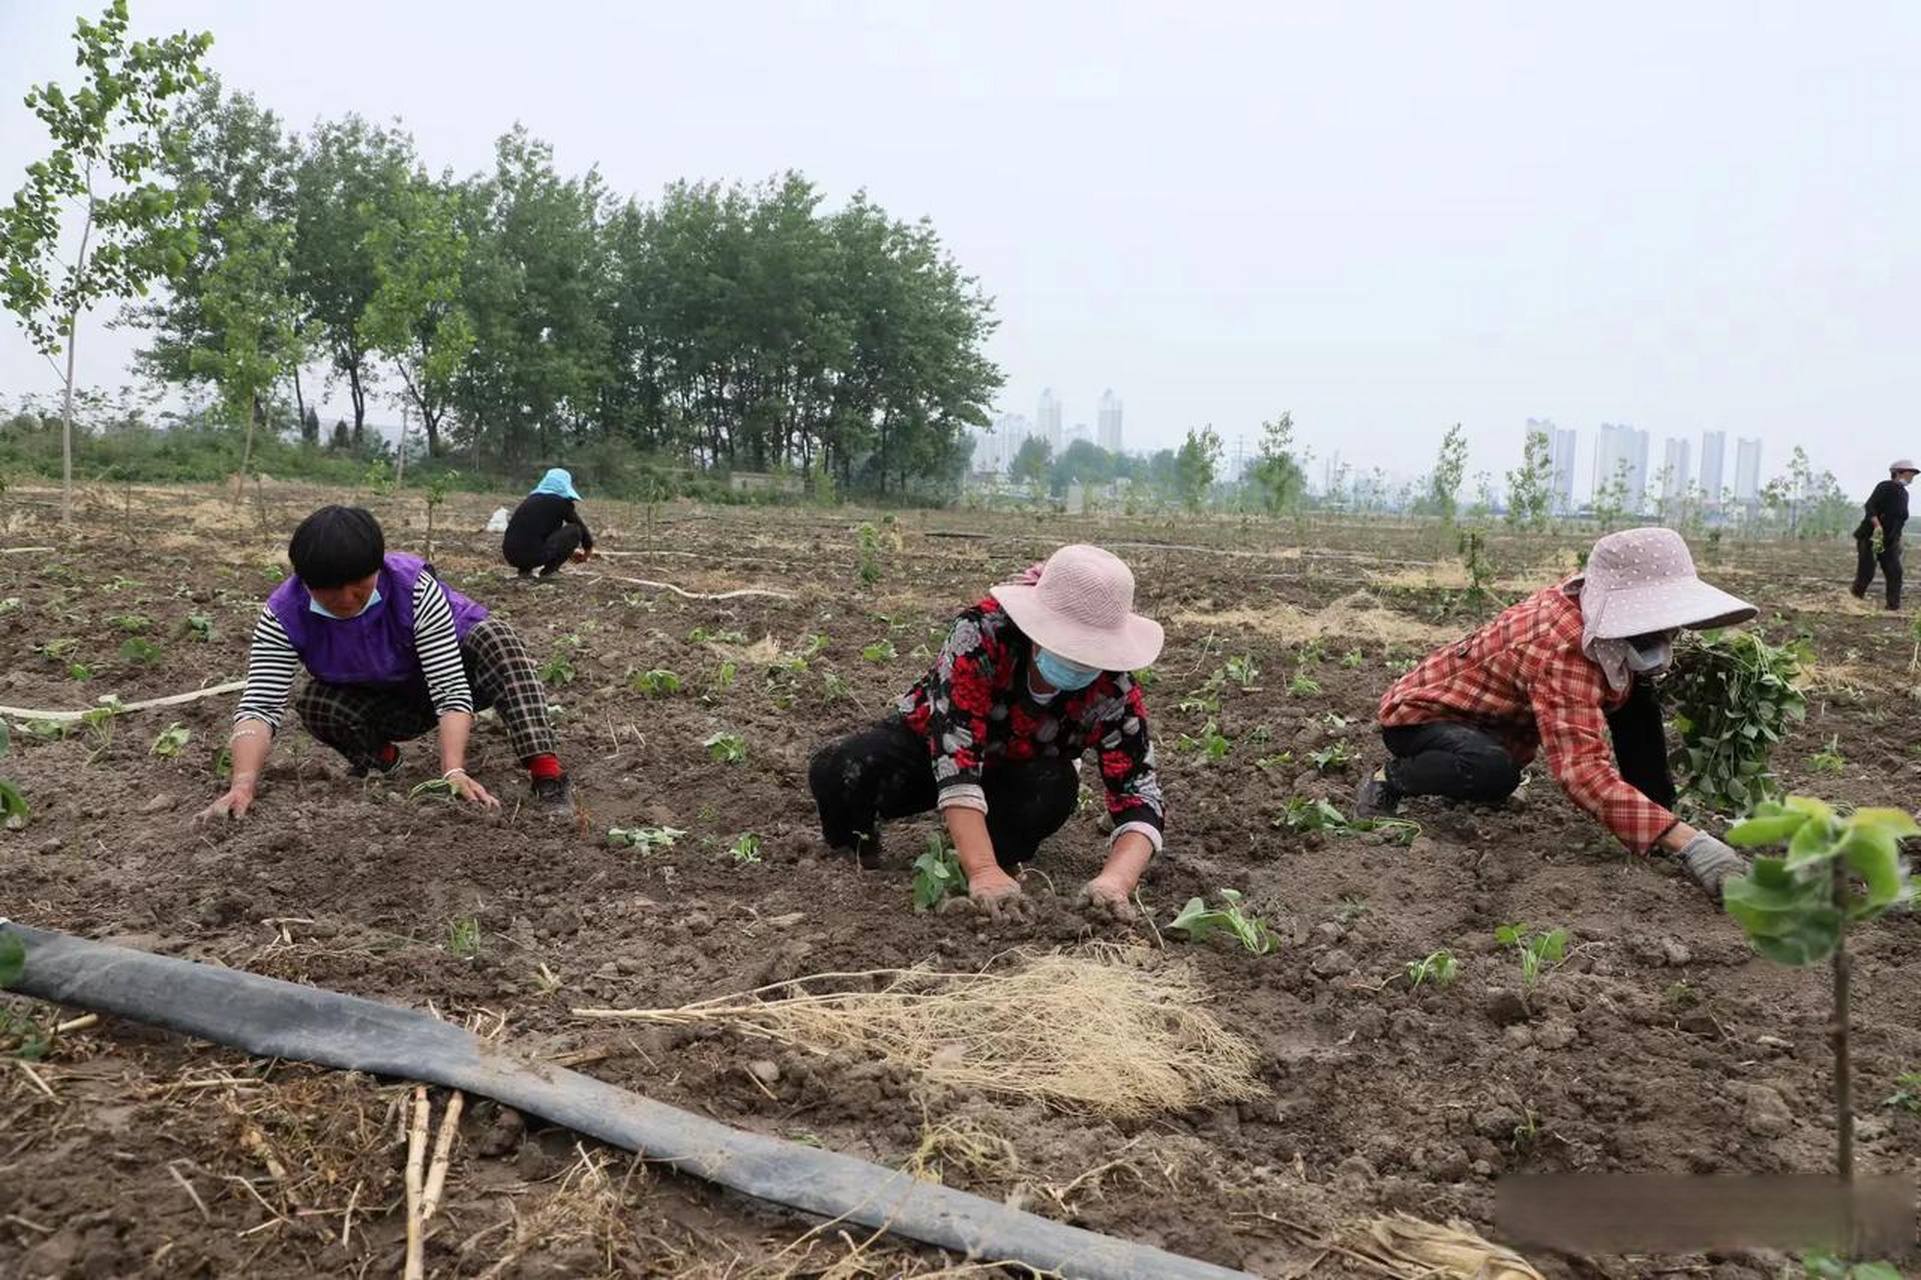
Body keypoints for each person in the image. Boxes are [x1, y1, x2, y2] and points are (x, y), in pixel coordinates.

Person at [1356, 527, 1758, 900]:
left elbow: (1633, 716)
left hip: (1497, 721)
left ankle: (1657, 819)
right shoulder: (1563, 648)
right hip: (1424, 719)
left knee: (1638, 697)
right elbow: (1582, 773)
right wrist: (1693, 844)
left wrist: (1663, 824)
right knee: (1493, 772)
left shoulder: (1595, 616)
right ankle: (1390, 778)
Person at [808, 544, 1165, 919]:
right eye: (1068, 644)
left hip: (1017, 772)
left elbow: (1139, 794)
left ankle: (996, 850)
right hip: (931, 750)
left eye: (1091, 651)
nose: (1079, 659)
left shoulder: (1113, 689)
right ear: (1035, 627)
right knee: (840, 770)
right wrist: (982, 871)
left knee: (1054, 788)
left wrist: (1115, 883)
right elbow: (954, 753)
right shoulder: (982, 634)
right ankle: (859, 853)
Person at [197, 505, 573, 823]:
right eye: (331, 590)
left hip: (465, 678)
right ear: (305, 582)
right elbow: (260, 706)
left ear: (378, 567)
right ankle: (386, 761)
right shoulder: (283, 614)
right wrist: (242, 784)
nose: (347, 599)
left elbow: (450, 688)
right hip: (391, 698)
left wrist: (453, 770)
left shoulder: (414, 589)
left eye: (359, 584)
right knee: (316, 703)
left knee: (499, 638)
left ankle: (546, 773)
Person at [1849, 458, 1916, 611]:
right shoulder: (1885, 487)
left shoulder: (1904, 494)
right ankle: (1853, 602)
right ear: (1897, 473)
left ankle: (1893, 607)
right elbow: (1870, 506)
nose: (1912, 477)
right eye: (1909, 473)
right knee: (1866, 573)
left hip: (1890, 541)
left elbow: (1899, 519)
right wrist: (1877, 525)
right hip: (1871, 537)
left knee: (1895, 572)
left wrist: (1898, 539)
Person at [503, 468, 594, 579]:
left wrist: (566, 552)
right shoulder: (561, 503)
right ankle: (549, 571)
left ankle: (524, 571)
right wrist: (587, 550)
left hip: (510, 555)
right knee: (574, 530)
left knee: (531, 534)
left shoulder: (530, 500)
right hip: (533, 555)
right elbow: (581, 528)